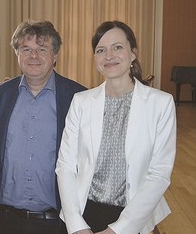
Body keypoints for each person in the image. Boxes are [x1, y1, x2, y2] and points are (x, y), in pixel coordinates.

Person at [55, 21, 176, 234]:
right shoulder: (81, 102)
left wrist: (118, 230)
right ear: (95, 59)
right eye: (101, 50)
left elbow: (159, 174)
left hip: (136, 218)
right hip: (84, 213)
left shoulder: (161, 104)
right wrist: (76, 225)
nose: (109, 56)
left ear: (133, 54)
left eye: (118, 47)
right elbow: (65, 166)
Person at [0, 20, 86, 234]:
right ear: (17, 54)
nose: (34, 56)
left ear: (55, 56)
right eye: (26, 49)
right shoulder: (1, 95)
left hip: (56, 221)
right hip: (7, 220)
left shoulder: (76, 97)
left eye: (42, 49)